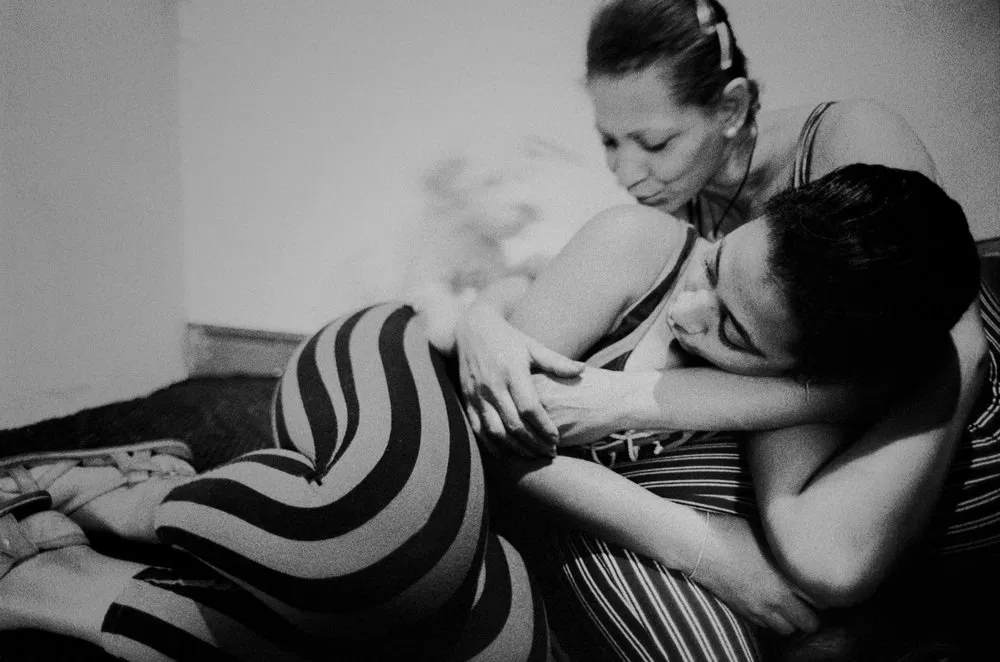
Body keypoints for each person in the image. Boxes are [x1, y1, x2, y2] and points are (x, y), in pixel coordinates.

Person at [0, 164, 988, 662]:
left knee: (468, 644)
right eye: (720, 267)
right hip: (401, 372)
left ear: (811, 375)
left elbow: (827, 569)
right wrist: (696, 545)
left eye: (732, 327)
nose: (695, 310)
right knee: (378, 542)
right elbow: (486, 426)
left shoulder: (812, 414)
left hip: (472, 516)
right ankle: (127, 495)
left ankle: (61, 579)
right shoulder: (642, 246)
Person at [453, 0, 994, 657]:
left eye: (655, 143)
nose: (625, 174)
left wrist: (630, 400)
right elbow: (549, 282)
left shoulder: (848, 146)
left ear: (732, 109)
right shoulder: (685, 217)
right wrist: (482, 319)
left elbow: (955, 351)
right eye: (610, 142)